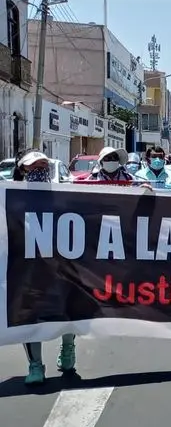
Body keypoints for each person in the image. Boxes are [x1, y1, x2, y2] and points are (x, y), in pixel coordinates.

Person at [12, 150, 79, 384]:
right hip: (27, 270)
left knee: (67, 311)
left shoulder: (64, 195)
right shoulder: (11, 197)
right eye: (34, 167)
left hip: (61, 267)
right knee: (28, 316)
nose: (40, 170)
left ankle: (68, 349)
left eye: (43, 166)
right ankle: (35, 366)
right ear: (24, 171)